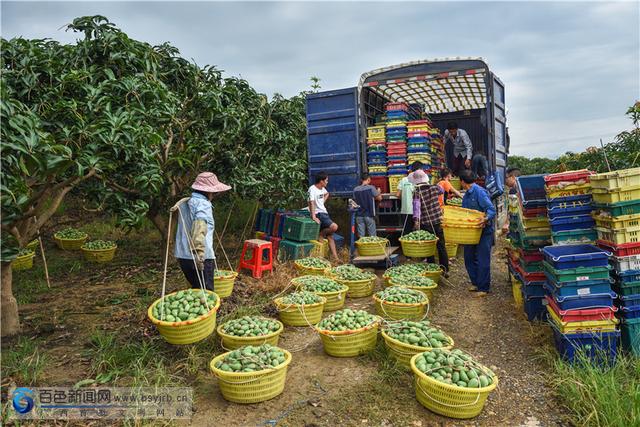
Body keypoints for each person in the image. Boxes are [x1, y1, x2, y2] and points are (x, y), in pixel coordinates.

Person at [174, 172, 231, 291]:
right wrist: (199, 253)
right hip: (200, 258)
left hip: (183, 256)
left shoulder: (185, 203)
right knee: (207, 294)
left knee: (196, 290)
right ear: (210, 192)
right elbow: (199, 226)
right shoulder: (204, 204)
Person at [460, 170, 496, 297]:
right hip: (471, 231)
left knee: (482, 259)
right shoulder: (466, 195)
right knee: (468, 258)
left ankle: (483, 287)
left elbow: (491, 210)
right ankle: (475, 282)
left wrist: (485, 219)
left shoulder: (479, 192)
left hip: (484, 230)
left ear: (463, 182)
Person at [410, 169, 449, 275]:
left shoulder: (417, 193)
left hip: (426, 223)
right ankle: (445, 270)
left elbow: (416, 208)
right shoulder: (435, 187)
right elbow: (442, 191)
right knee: (441, 245)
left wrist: (416, 221)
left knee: (429, 247)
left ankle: (432, 270)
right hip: (437, 220)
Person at [309, 172, 339, 260]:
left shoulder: (322, 189)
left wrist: (322, 202)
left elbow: (327, 193)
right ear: (321, 181)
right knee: (334, 227)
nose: (327, 182)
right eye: (326, 180)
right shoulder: (312, 189)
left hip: (324, 213)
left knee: (330, 237)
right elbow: (311, 202)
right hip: (319, 214)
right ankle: (321, 234)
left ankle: (336, 258)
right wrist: (313, 216)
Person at [396, 161, 423, 235]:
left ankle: (406, 246)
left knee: (407, 233)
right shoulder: (421, 180)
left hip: (405, 210)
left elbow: (398, 194)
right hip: (417, 212)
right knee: (418, 234)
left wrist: (405, 199)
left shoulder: (404, 179)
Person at [353, 173, 383, 238]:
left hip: (359, 215)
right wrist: (379, 192)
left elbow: (355, 201)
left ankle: (362, 247)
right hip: (369, 215)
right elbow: (379, 198)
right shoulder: (371, 188)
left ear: (361, 180)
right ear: (368, 179)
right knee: (372, 236)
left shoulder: (355, 189)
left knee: (361, 237)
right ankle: (371, 248)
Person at [501, 167, 522, 235]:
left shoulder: (514, 190)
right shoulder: (518, 188)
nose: (505, 181)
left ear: (512, 177)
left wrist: (507, 223)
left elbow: (511, 209)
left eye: (506, 178)